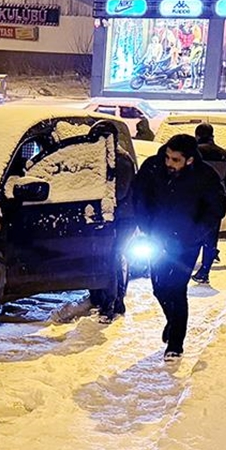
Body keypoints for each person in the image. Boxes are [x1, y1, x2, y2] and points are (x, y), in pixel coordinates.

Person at [133, 134, 226, 361]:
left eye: (175, 160)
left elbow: (215, 210)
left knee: (176, 288)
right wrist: (145, 225)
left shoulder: (206, 176)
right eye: (168, 158)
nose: (169, 163)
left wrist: (195, 234)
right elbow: (138, 195)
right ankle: (173, 320)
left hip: (186, 243)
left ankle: (175, 344)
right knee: (159, 288)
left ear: (190, 160)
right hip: (157, 237)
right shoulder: (153, 167)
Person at [90, 120, 136, 324]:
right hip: (114, 217)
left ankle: (113, 303)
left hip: (123, 219)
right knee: (109, 257)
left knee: (113, 257)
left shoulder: (121, 160)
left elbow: (120, 192)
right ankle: (108, 299)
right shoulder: (101, 157)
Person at [191, 123, 226, 284]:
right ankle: (205, 270)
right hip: (215, 202)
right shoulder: (224, 155)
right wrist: (223, 197)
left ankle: (184, 268)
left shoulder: (195, 153)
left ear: (197, 135)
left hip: (195, 201)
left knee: (191, 235)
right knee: (211, 237)